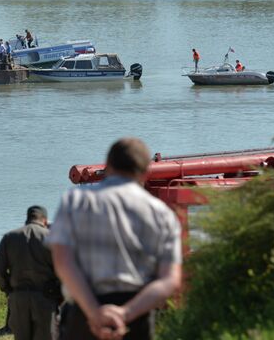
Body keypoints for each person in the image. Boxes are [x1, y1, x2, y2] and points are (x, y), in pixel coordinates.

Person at [47, 138, 183, 340]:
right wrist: (125, 313)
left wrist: (93, 311)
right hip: (136, 317)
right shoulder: (161, 213)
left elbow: (62, 261)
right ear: (146, 171)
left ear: (107, 166)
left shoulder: (75, 200)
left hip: (83, 314)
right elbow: (169, 279)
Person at [0, 206, 60, 340]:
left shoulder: (10, 237)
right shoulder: (51, 237)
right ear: (44, 220)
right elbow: (64, 269)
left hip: (18, 298)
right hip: (46, 297)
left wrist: (8, 288)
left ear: (27, 219)